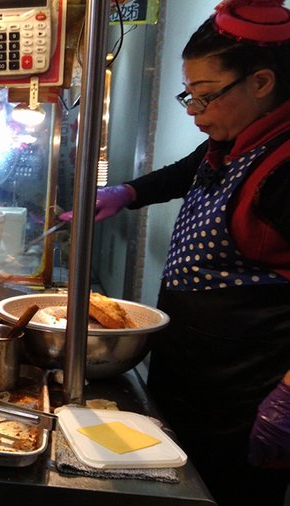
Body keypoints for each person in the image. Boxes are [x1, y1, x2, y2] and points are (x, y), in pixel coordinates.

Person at [60, 1, 290, 504]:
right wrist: (125, 193)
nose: (194, 112)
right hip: (191, 379)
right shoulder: (236, 142)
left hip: (246, 401)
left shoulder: (283, 168)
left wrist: (287, 401)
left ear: (262, 82)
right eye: (189, 96)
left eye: (205, 97)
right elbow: (184, 172)